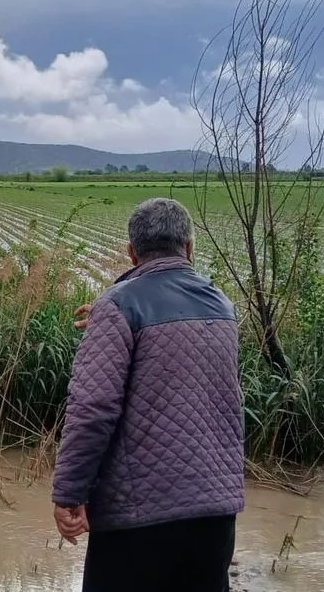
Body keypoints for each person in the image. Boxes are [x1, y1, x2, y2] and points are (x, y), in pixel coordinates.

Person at [51, 197, 245, 591]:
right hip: (215, 515)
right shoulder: (222, 306)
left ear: (131, 252)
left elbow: (92, 407)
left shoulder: (120, 305)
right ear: (189, 248)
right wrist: (108, 317)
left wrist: (69, 492)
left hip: (139, 518)